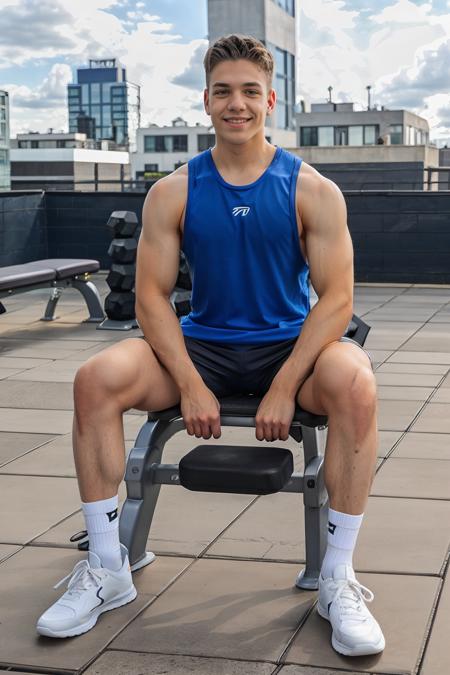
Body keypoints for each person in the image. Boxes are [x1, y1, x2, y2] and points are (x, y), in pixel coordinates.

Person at [37, 34, 385, 657]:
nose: (237, 104)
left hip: (287, 350)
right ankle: (107, 569)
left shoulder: (312, 190)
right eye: (223, 91)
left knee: (357, 383)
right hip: (204, 347)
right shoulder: (173, 191)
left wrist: (283, 388)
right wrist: (192, 385)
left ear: (270, 100)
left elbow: (335, 300)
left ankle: (337, 578)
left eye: (250, 92)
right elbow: (150, 298)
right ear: (206, 100)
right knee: (95, 379)